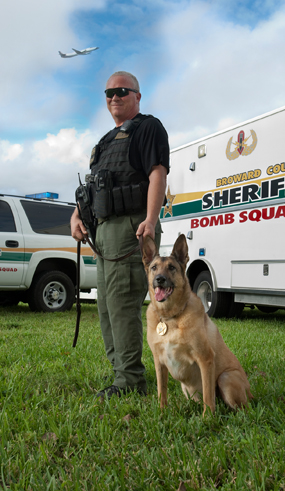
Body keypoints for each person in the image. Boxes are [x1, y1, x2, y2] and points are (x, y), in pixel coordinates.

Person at [71, 71, 169, 399]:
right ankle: (121, 373)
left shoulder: (148, 127)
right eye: (109, 92)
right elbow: (92, 191)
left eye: (122, 91)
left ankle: (130, 382)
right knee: (107, 305)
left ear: (137, 96)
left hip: (132, 226)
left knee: (122, 303)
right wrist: (77, 216)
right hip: (103, 232)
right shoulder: (103, 143)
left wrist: (151, 220)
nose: (115, 97)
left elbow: (157, 173)